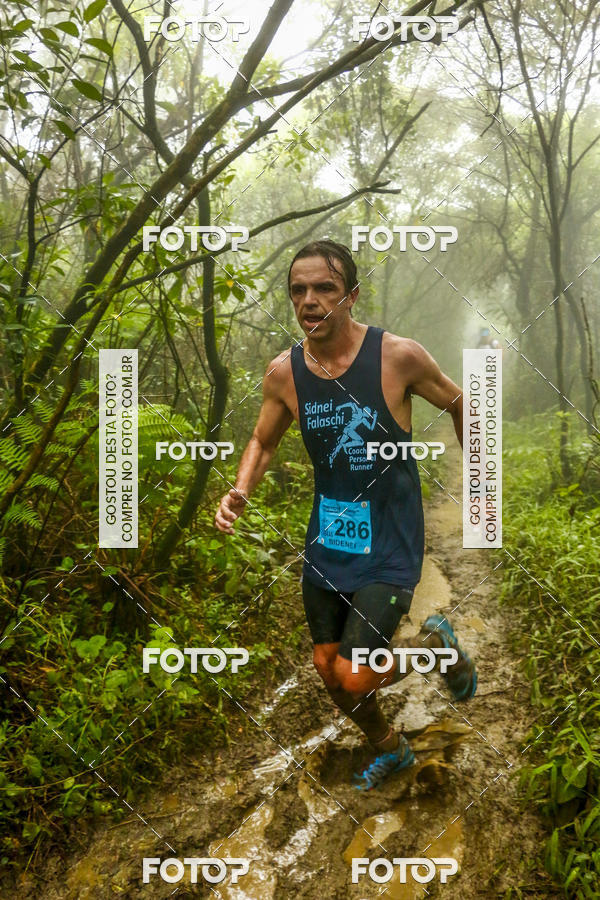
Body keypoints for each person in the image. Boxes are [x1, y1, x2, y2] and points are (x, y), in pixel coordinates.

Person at [215, 239, 476, 789]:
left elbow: (461, 404)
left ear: (351, 295)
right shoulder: (284, 372)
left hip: (390, 536)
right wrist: (240, 489)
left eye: (324, 288)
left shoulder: (397, 356)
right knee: (327, 668)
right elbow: (262, 441)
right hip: (331, 534)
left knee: (355, 676)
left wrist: (480, 482)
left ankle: (435, 649)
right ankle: (391, 748)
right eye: (298, 290)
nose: (309, 300)